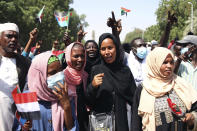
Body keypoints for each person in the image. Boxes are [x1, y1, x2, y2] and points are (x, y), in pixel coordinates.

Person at [132, 47, 197, 131]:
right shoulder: (144, 88)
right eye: (165, 62)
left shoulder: (182, 84)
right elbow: (136, 122)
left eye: (171, 62)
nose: (169, 66)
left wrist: (192, 119)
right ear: (155, 63)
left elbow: (195, 109)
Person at [86, 33, 136, 131]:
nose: (107, 52)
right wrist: (92, 86)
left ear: (116, 48)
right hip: (101, 124)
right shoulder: (96, 70)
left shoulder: (125, 71)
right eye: (103, 49)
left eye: (110, 48)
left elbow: (134, 100)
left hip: (121, 122)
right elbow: (88, 101)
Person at [28, 51, 77, 131]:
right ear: (40, 76)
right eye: (53, 73)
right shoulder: (28, 101)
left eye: (60, 69)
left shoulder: (66, 96)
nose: (59, 75)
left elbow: (72, 128)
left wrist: (67, 107)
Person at [0, 23, 31, 131]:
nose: (13, 39)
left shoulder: (25, 63)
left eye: (16, 37)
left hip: (16, 121)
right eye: (9, 36)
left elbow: (28, 90)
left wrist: (27, 121)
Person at [64, 42, 89, 131]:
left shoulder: (86, 76)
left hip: (84, 122)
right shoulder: (62, 77)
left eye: (82, 56)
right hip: (69, 123)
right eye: (76, 56)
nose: (80, 59)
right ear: (68, 57)